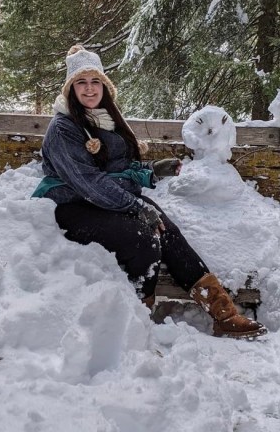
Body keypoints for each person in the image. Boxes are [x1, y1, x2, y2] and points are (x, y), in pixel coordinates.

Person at [32, 45, 267, 339]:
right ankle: (137, 319)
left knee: (166, 230)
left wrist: (153, 169)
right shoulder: (63, 128)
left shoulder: (105, 120)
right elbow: (89, 183)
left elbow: (119, 169)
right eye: (81, 82)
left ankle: (224, 314)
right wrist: (135, 206)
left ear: (105, 86)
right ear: (71, 89)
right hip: (70, 205)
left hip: (103, 199)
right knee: (143, 238)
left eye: (95, 82)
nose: (89, 89)